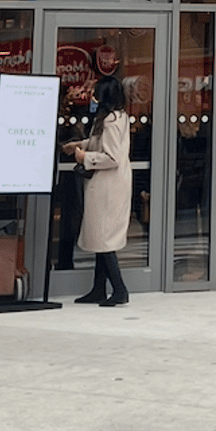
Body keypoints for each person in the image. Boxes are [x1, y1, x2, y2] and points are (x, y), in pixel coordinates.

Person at [63, 75, 132, 306]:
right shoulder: (112, 117)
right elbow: (100, 144)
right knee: (101, 236)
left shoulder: (112, 120)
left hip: (108, 186)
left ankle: (119, 289)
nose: (92, 96)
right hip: (106, 186)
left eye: (96, 92)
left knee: (104, 237)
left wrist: (86, 157)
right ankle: (99, 288)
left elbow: (112, 156)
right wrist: (80, 145)